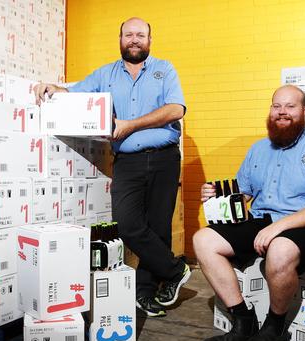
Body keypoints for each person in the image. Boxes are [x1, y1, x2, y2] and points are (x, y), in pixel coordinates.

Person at [34, 17, 189, 318]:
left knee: (158, 228)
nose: (134, 40)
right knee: (128, 224)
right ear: (120, 39)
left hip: (164, 158)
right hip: (128, 162)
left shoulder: (164, 69)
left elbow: (176, 109)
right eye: (128, 35)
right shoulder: (105, 74)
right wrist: (51, 87)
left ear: (149, 40)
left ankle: (145, 294)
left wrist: (131, 125)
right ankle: (175, 271)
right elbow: (75, 94)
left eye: (140, 35)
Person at [193, 85, 305, 341]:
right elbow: (244, 193)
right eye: (277, 106)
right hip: (263, 219)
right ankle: (243, 320)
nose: (282, 112)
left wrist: (280, 227)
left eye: (290, 107)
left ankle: (275, 329)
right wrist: (217, 192)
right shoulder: (259, 149)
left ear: (304, 111)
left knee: (281, 248)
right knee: (203, 239)